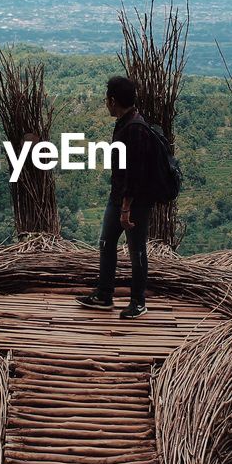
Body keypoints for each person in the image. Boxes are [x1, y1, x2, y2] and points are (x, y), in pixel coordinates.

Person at [76, 75, 155, 318]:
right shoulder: (124, 122)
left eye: (106, 99)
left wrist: (126, 207)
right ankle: (104, 295)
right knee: (106, 242)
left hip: (133, 202)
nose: (105, 103)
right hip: (119, 197)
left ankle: (138, 302)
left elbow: (136, 173)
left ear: (112, 100)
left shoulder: (135, 128)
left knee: (136, 249)